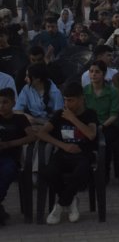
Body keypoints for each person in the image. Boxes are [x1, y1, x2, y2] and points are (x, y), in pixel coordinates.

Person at [38, 82, 98, 225]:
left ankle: (59, 206)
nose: (67, 103)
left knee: (82, 171)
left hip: (83, 154)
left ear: (81, 99)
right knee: (48, 172)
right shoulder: (60, 114)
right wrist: (63, 145)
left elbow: (91, 135)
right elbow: (41, 133)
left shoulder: (90, 114)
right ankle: (71, 201)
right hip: (63, 154)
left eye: (71, 100)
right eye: (65, 100)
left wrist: (73, 119)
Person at [83, 60, 119, 185]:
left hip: (108, 125)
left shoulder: (112, 91)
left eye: (97, 72)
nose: (93, 74)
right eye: (91, 71)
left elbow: (114, 114)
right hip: (89, 125)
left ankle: (104, 172)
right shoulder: (85, 91)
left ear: (104, 74)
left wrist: (102, 126)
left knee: (105, 142)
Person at [0, 88, 34, 225]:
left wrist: (10, 144)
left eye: (5, 102)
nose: (1, 106)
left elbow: (32, 137)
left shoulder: (20, 119)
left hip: (11, 159)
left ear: (13, 103)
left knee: (7, 170)